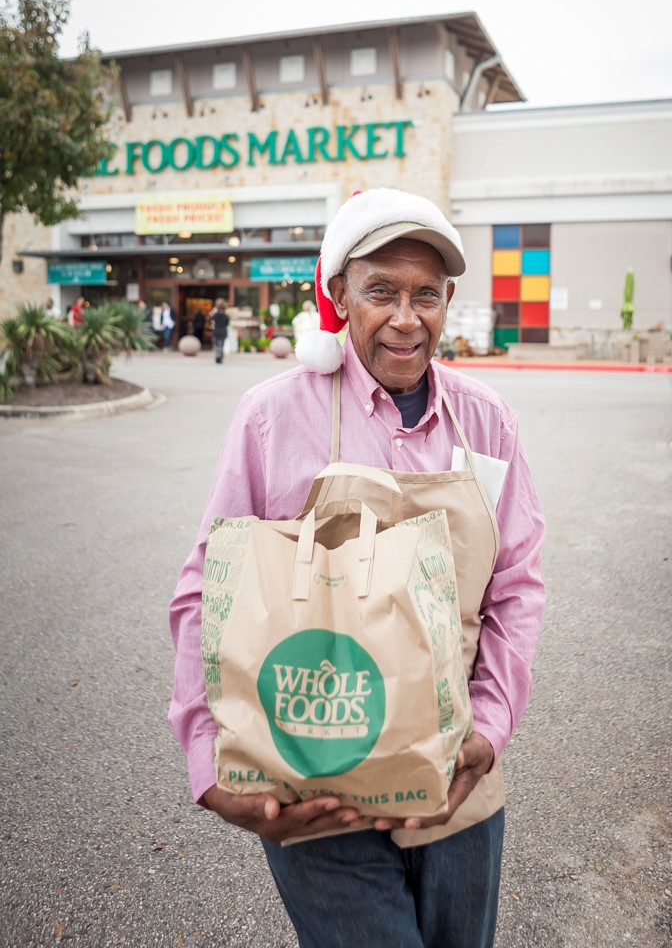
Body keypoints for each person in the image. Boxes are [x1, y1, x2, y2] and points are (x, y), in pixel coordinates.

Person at [169, 188, 546, 948]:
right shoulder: (273, 416)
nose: (407, 318)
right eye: (381, 292)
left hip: (455, 780)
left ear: (447, 303)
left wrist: (489, 728)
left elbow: (516, 589)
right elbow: (208, 590)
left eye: (426, 295)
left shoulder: (487, 420)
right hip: (312, 784)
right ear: (339, 296)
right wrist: (208, 764)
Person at [208, 299, 229, 364]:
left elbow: (209, 320)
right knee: (221, 345)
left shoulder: (215, 315)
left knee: (216, 345)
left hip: (216, 331)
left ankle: (217, 356)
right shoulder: (226, 316)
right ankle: (220, 357)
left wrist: (212, 326)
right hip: (223, 331)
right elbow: (227, 324)